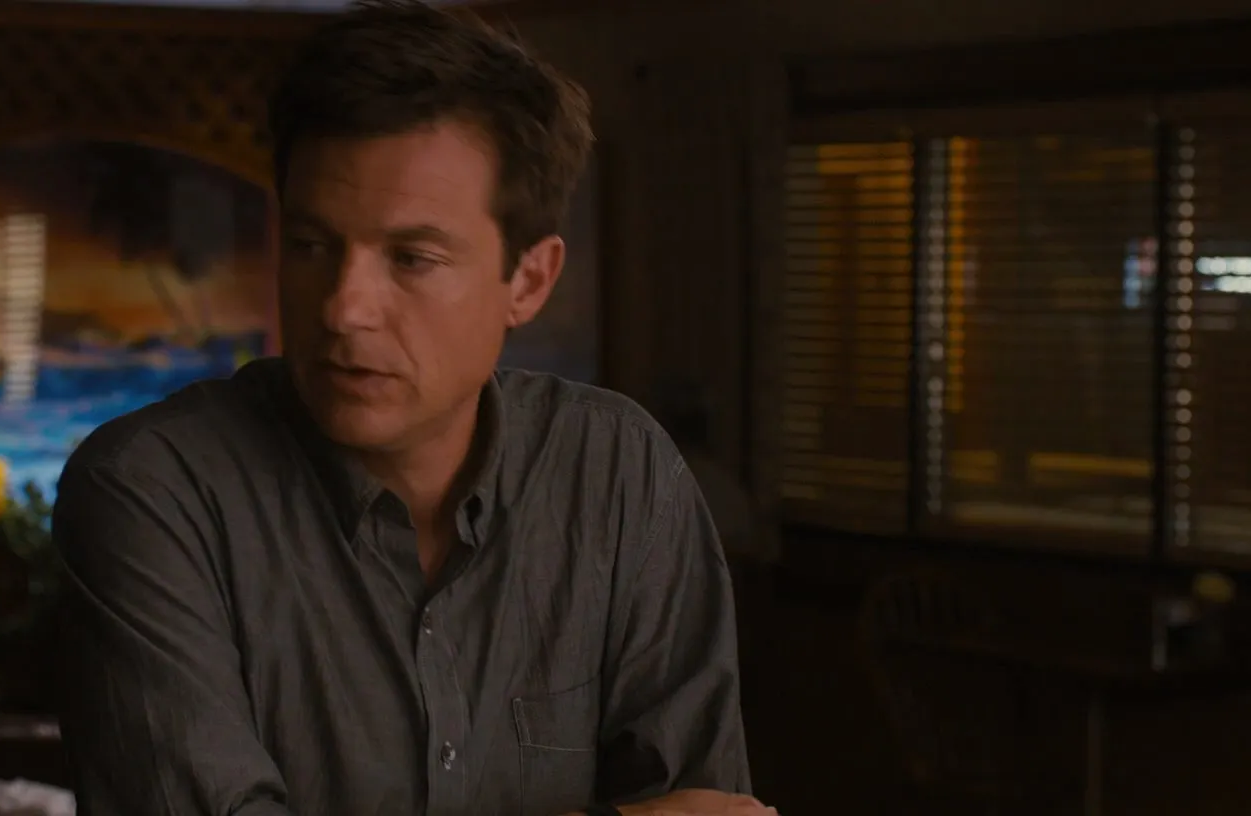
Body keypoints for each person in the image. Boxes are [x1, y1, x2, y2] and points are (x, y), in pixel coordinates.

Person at [52, 2, 765, 814]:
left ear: (529, 279)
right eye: (312, 246)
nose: (343, 308)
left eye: (412, 258)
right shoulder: (155, 491)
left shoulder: (619, 475)